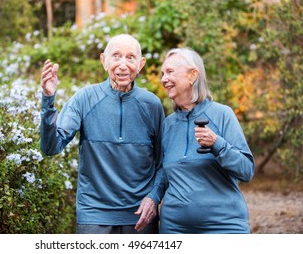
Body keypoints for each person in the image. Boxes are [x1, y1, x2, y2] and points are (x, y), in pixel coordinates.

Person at [40, 34, 165, 234]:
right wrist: (48, 99)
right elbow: (51, 146)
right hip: (94, 215)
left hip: (141, 216)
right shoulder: (84, 99)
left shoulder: (152, 105)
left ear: (140, 64)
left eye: (130, 58)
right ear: (104, 61)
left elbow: (162, 163)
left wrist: (154, 197)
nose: (123, 65)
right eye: (116, 56)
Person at [159, 47, 255, 233]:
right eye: (162, 73)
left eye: (170, 72)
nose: (163, 79)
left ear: (192, 75)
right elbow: (163, 175)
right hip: (175, 228)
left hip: (224, 225)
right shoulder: (167, 124)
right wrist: (151, 199)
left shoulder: (222, 115)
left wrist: (217, 144)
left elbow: (246, 170)